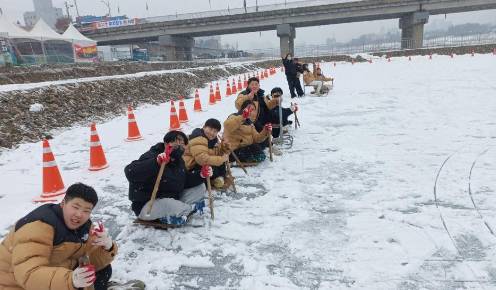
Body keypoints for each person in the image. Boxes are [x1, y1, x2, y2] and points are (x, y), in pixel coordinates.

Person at [0, 183, 118, 290]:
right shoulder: (38, 227)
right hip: (16, 283)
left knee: (102, 271)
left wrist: (107, 248)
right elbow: (28, 274)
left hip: (53, 269)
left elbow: (90, 260)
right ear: (63, 203)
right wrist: (71, 280)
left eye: (86, 210)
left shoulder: (84, 227)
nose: (79, 214)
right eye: (75, 207)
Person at [124, 130, 211, 225]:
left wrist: (200, 175)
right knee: (168, 204)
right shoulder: (153, 155)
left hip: (172, 198)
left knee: (200, 187)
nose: (179, 146)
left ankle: (180, 210)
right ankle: (188, 209)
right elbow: (130, 172)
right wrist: (156, 162)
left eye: (182, 144)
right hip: (148, 205)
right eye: (175, 142)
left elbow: (184, 180)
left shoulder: (179, 161)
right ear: (166, 143)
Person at [183, 118, 232, 190]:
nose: (212, 133)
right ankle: (210, 180)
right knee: (214, 165)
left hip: (198, 163)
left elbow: (217, 152)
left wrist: (225, 147)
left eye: (215, 131)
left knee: (219, 163)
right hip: (191, 167)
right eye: (210, 129)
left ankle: (217, 178)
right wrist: (221, 159)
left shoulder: (212, 140)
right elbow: (202, 160)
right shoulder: (198, 138)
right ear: (204, 127)